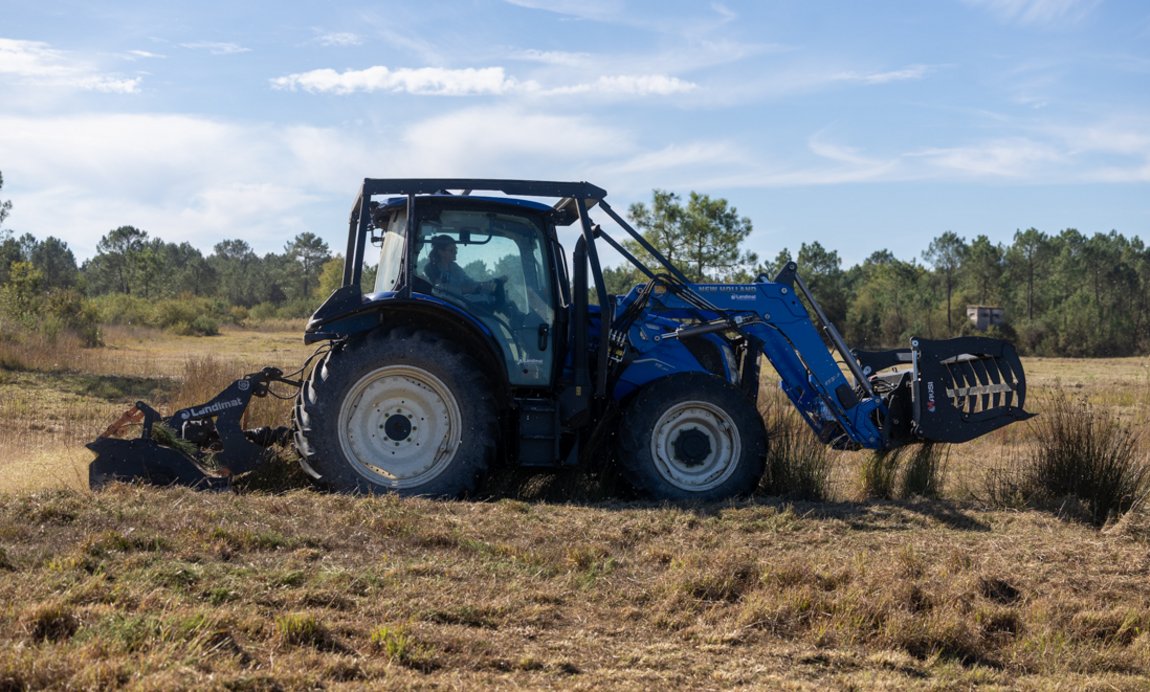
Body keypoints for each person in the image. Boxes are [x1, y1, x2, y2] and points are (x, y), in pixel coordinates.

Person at [424, 235, 500, 296]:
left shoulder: (455, 267)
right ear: (441, 252)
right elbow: (440, 288)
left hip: (461, 302)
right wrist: (466, 289)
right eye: (451, 250)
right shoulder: (431, 268)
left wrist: (487, 284)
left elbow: (469, 282)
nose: (455, 252)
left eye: (456, 249)